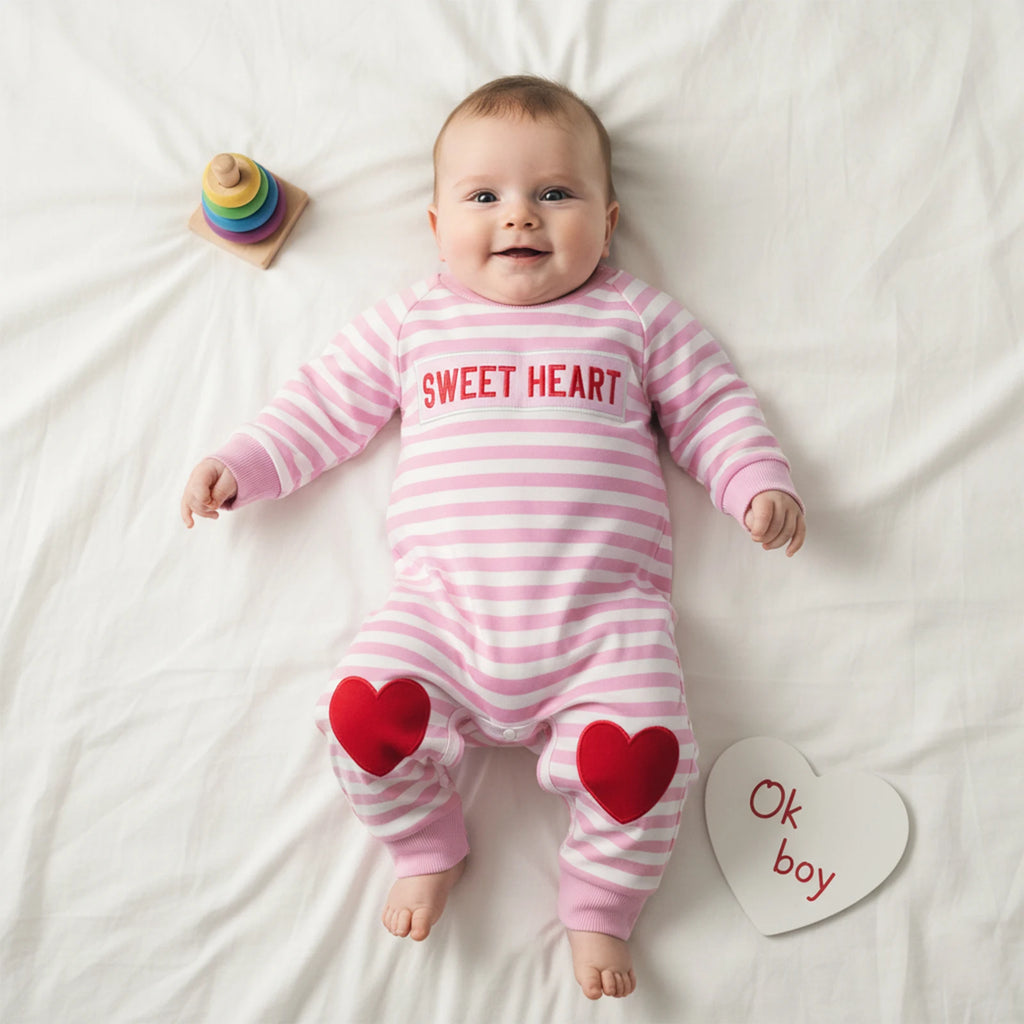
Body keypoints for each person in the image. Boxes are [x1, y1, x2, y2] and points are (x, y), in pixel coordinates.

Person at [181, 75, 805, 1000]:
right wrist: (246, 463)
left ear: (611, 218)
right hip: (441, 614)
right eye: (485, 197)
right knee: (360, 719)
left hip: (606, 624)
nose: (521, 217)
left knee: (647, 761)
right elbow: (323, 406)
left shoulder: (632, 318)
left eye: (556, 193)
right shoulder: (414, 321)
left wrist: (754, 480)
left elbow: (713, 406)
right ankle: (426, 840)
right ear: (435, 227)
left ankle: (599, 902)